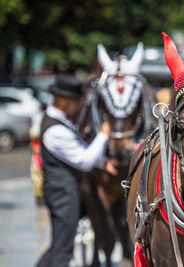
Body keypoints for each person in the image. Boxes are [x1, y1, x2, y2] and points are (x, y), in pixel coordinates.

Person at [36, 74, 117, 267]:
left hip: (64, 193)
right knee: (62, 250)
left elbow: (79, 148)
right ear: (63, 101)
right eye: (77, 101)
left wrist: (103, 162)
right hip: (62, 195)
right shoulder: (55, 130)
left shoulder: (60, 120)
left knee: (59, 244)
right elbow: (84, 160)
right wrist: (104, 135)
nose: (80, 105)